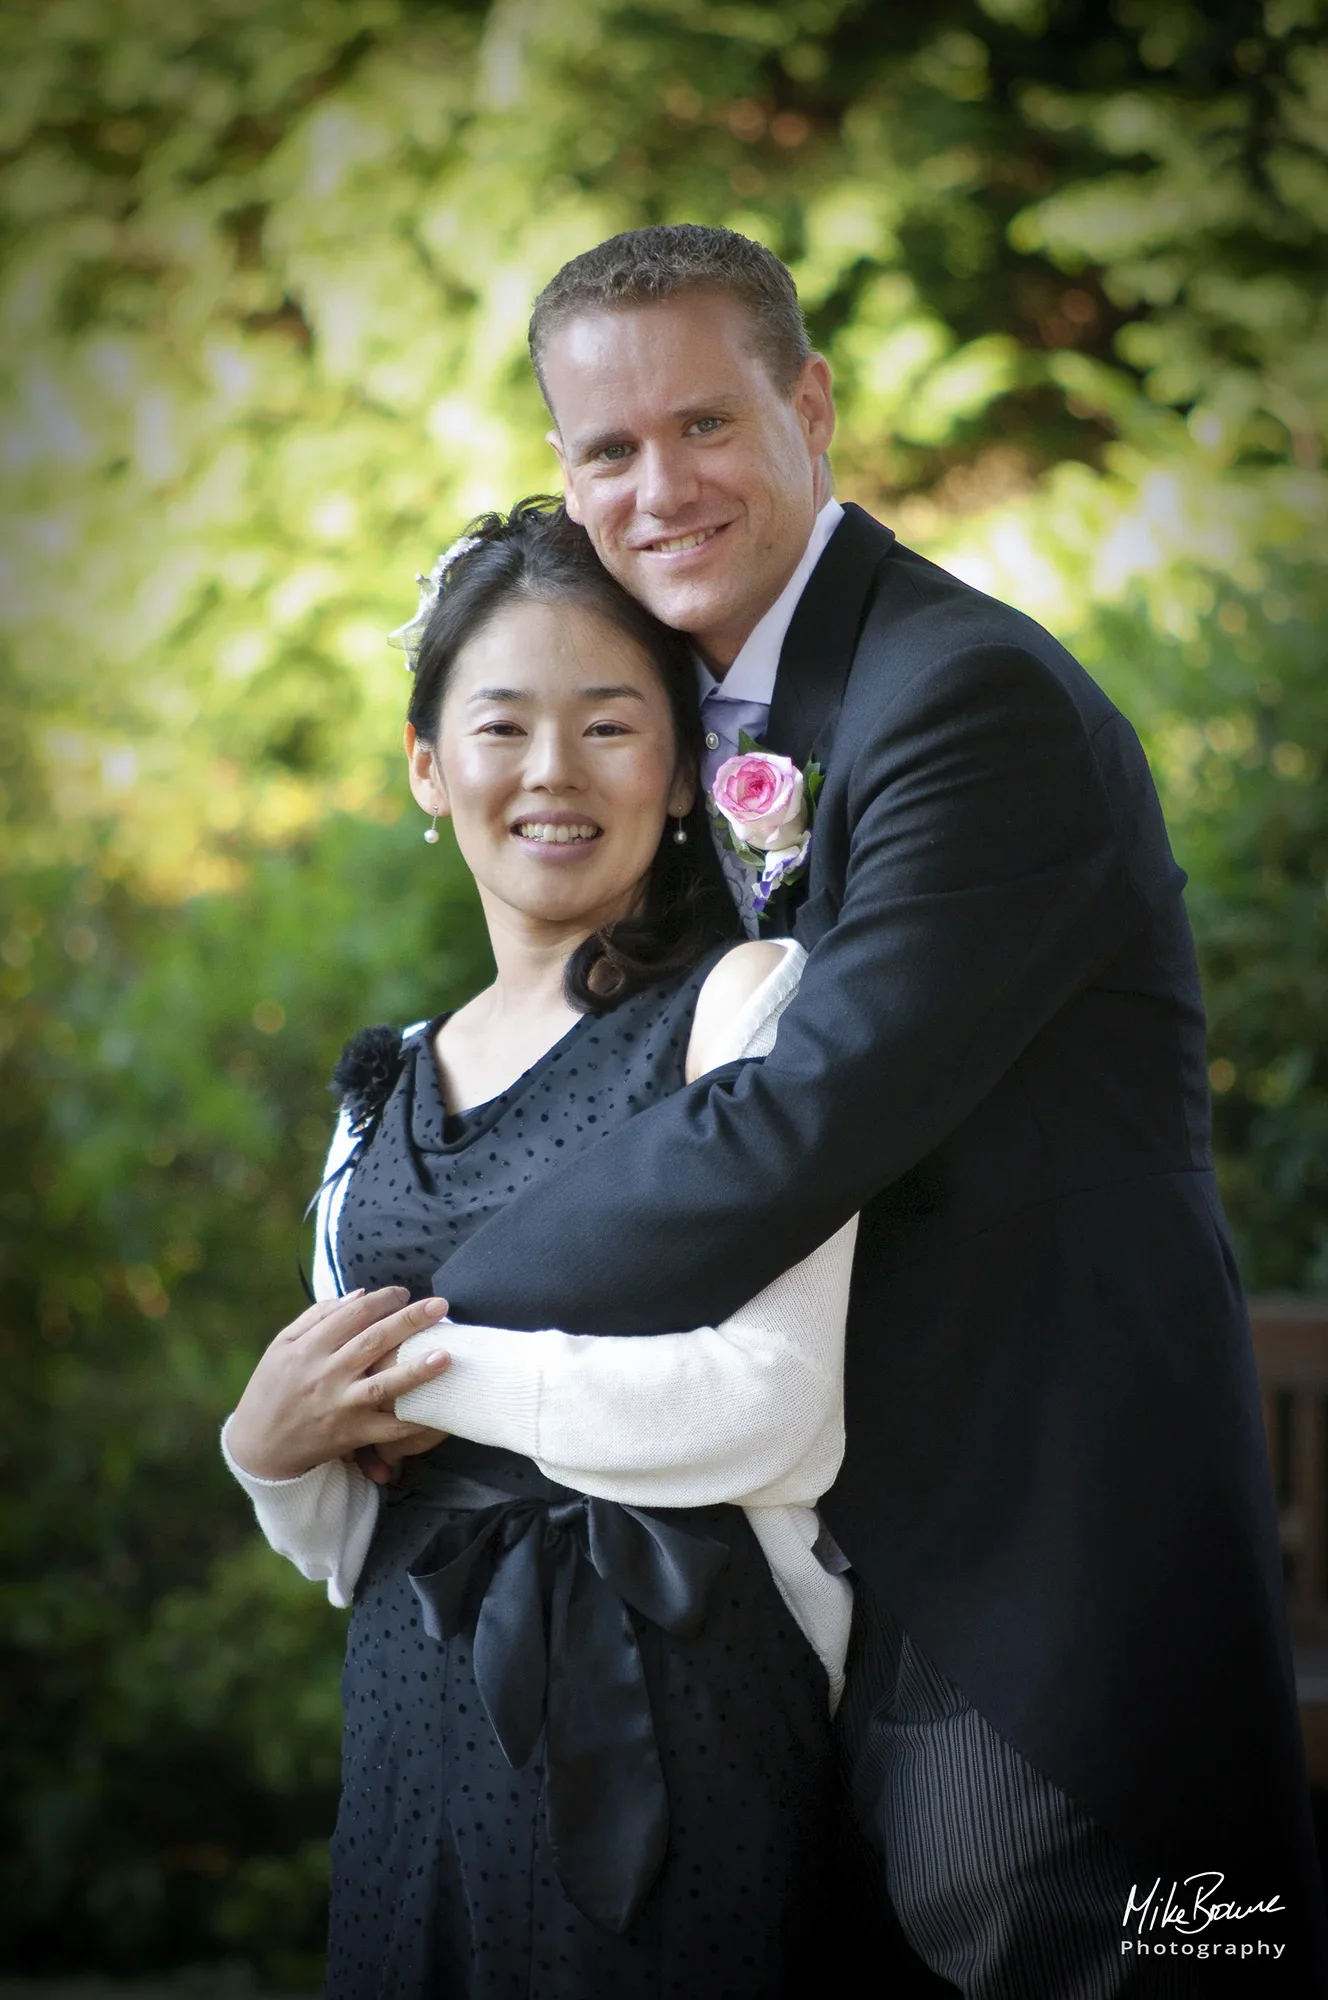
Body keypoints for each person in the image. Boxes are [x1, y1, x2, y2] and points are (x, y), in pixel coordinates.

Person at [380, 226, 1328, 1994]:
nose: (658, 486)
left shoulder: (965, 703)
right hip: (812, 1570)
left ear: (810, 406)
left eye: (707, 426)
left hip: (1031, 1553)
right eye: (607, 449)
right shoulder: (690, 723)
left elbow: (799, 1120)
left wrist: (415, 1302)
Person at [223, 500, 874, 1999]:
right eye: (503, 726)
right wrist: (265, 1449)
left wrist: (421, 1378)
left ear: (686, 764)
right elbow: (343, 1531)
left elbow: (775, 1406)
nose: (554, 774)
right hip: (412, 1711)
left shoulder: (748, 1011)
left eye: (610, 723)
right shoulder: (380, 1081)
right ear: (427, 766)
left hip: (680, 1692)